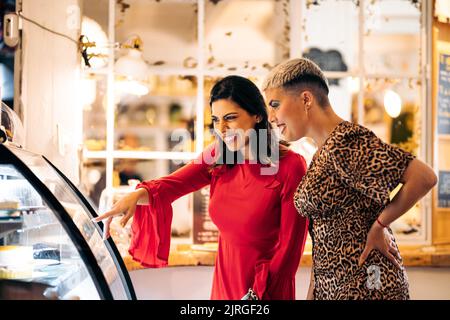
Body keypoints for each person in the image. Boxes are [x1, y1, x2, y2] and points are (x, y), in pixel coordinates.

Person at [93, 75, 309, 300]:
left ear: (257, 115)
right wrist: (135, 195)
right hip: (225, 287)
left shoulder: (289, 166)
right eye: (216, 120)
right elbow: (172, 185)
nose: (222, 129)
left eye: (231, 118)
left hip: (265, 290)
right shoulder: (219, 155)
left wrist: (257, 294)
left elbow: (290, 249)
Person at [262, 58, 437, 300]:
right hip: (336, 287)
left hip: (367, 286)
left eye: (275, 104)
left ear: (305, 99)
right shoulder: (323, 151)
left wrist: (380, 225)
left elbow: (423, 177)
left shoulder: (345, 141)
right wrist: (314, 291)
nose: (270, 117)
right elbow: (326, 233)